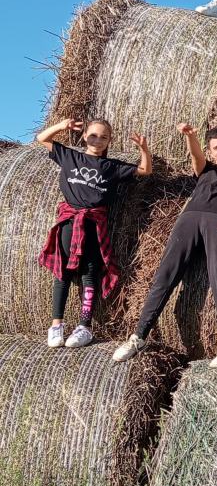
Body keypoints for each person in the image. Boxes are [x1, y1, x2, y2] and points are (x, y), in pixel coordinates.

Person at [113, 120, 217, 365]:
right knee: (165, 276)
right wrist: (190, 136)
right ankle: (137, 337)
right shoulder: (205, 169)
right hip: (190, 219)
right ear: (210, 151)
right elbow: (196, 157)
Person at [37, 117, 152, 348]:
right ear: (84, 135)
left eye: (104, 137)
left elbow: (145, 171)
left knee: (90, 272)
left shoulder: (112, 167)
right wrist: (62, 126)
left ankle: (84, 327)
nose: (97, 140)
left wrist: (144, 149)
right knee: (63, 272)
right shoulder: (71, 157)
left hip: (94, 224)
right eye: (93, 135)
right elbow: (41, 138)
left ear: (109, 141)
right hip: (70, 221)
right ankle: (56, 325)